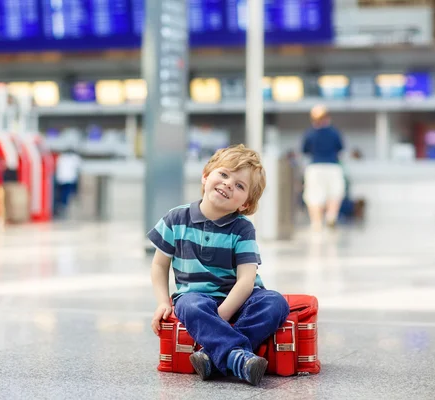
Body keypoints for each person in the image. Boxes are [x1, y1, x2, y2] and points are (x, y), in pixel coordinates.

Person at [147, 144, 289, 386]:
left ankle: (212, 356)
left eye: (240, 185)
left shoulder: (243, 228)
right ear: (205, 176)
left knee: (275, 302)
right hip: (197, 297)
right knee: (189, 305)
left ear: (245, 204)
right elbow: (160, 266)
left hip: (241, 298)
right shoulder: (175, 218)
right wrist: (163, 302)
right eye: (223, 174)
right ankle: (237, 357)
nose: (228, 184)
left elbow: (246, 280)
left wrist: (221, 316)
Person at [302, 105, 345, 230]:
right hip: (333, 166)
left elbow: (305, 150)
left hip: (315, 167)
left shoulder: (310, 133)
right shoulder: (334, 132)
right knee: (334, 193)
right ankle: (331, 217)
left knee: (314, 195)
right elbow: (340, 148)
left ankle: (317, 222)